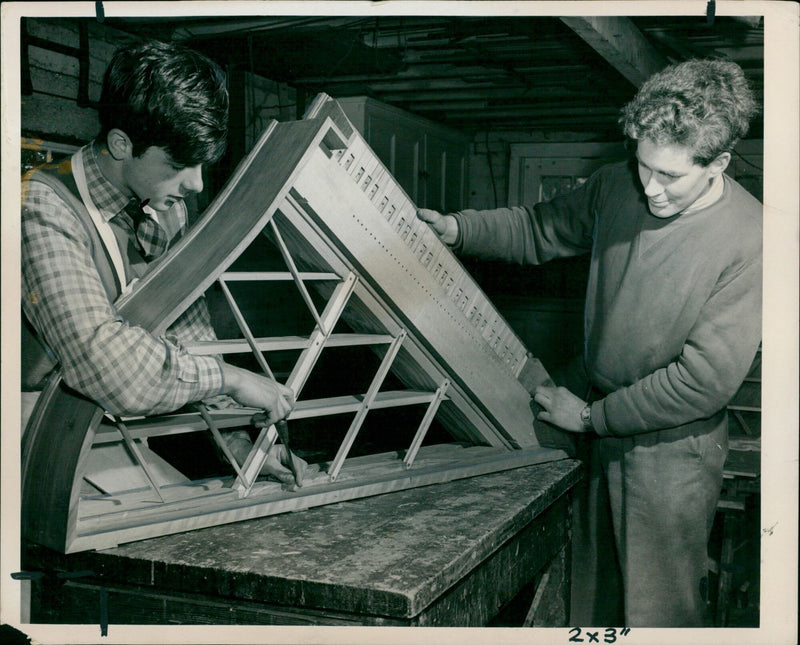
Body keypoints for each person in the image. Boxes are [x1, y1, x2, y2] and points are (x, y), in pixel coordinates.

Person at [417, 59, 761, 627]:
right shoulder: (615, 185)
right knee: (590, 593)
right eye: (642, 164)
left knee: (657, 612)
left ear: (718, 162)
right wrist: (459, 228)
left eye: (670, 176)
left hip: (670, 447)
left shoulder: (753, 239)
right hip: (595, 411)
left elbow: (703, 380)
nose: (649, 187)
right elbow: (538, 228)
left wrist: (592, 417)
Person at [21, 40, 304, 487]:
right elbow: (108, 366)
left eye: (200, 165)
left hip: (113, 429)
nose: (194, 183)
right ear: (120, 144)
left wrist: (242, 447)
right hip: (30, 439)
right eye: (178, 164)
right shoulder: (40, 209)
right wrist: (230, 379)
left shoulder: (166, 206)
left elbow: (191, 336)